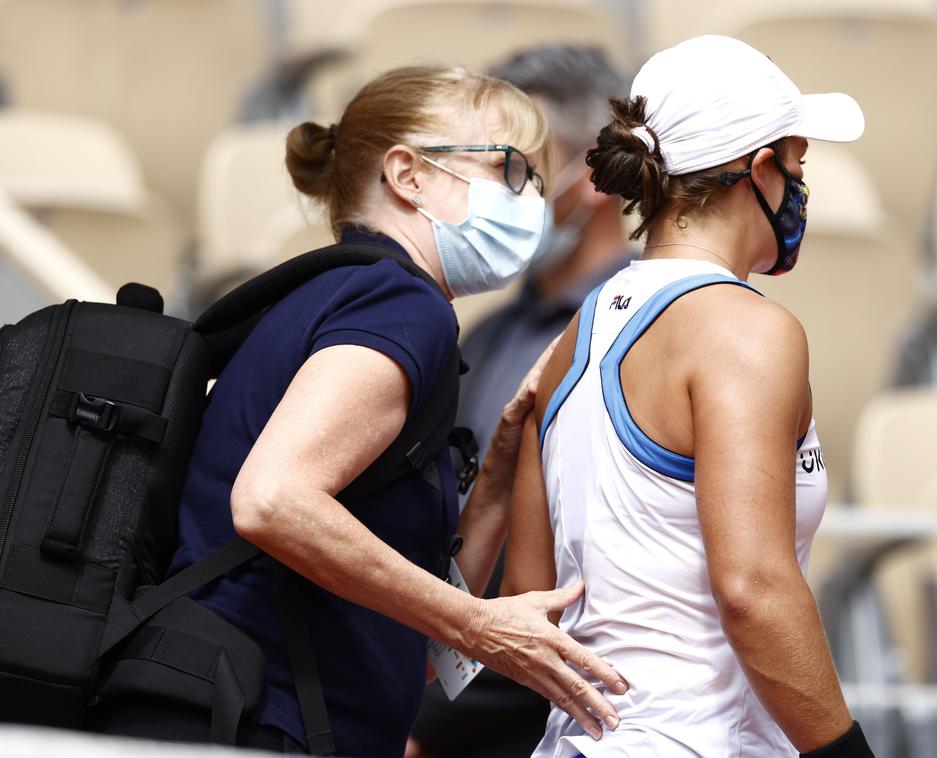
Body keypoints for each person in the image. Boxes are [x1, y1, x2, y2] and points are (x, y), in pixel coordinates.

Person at [93, 65, 627, 756]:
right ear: (408, 174)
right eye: (513, 171)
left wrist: (496, 465)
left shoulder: (337, 290)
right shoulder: (398, 307)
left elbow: (418, 617)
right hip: (248, 719)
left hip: (226, 710)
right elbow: (273, 501)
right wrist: (478, 624)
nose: (532, 201)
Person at [504, 36, 875, 757]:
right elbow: (753, 587)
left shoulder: (578, 330)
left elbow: (530, 586)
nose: (800, 189)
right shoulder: (747, 331)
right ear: (760, 169)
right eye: (797, 166)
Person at [410, 45, 634, 758]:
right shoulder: (485, 328)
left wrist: (423, 730)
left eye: (519, 166)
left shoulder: (633, 331)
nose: (489, 192)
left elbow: (586, 585)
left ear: (597, 172)